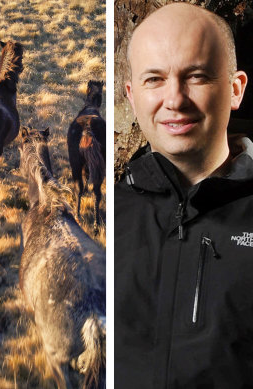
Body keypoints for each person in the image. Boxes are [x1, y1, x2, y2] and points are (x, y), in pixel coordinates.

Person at [115, 2, 253, 388]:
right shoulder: (99, 217)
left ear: (235, 88)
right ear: (131, 95)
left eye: (196, 76)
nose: (174, 99)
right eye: (154, 79)